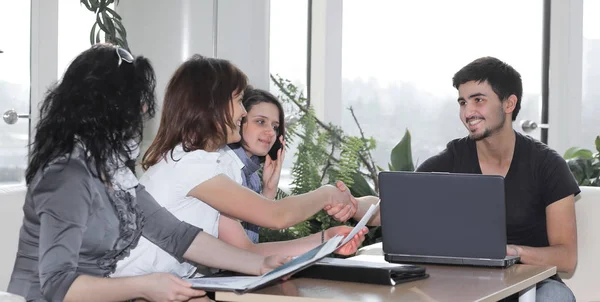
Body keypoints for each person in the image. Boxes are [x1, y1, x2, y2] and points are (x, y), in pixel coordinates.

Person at [7, 45, 289, 302]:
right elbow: (57, 286)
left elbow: (175, 235)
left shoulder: (112, 171)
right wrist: (144, 286)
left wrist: (258, 264)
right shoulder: (67, 175)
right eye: (136, 100)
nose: (143, 109)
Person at [335, 56, 579, 302]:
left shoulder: (547, 165)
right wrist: (355, 205)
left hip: (532, 286)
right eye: (463, 102)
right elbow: (387, 210)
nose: (467, 112)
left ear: (509, 103)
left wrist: (512, 252)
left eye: (478, 100)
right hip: (465, 284)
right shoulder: (451, 160)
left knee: (556, 297)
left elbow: (566, 257)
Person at [113, 55, 364, 279]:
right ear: (212, 105)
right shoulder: (191, 166)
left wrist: (326, 239)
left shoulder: (212, 165)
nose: (243, 112)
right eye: (239, 101)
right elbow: (275, 215)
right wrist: (327, 193)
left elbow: (245, 250)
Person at [226, 86, 286, 242]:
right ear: (239, 120)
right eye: (260, 122)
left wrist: (269, 190)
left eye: (275, 127)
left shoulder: (252, 176)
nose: (271, 132)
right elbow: (239, 250)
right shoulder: (223, 167)